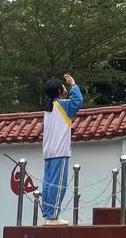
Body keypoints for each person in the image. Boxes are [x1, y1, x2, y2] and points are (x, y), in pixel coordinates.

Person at [41, 74, 83, 226]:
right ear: (60, 91)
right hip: (60, 151)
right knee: (59, 184)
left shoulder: (47, 110)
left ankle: (47, 214)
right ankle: (53, 216)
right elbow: (78, 101)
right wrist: (73, 84)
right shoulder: (63, 105)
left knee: (48, 184)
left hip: (48, 152)